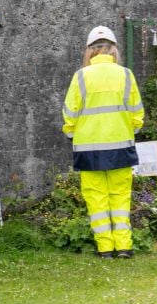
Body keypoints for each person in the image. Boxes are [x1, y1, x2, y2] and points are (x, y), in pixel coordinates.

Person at [62, 25, 144, 259]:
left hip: (88, 148)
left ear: (89, 51)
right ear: (113, 50)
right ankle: (124, 247)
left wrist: (72, 134)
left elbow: (70, 113)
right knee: (120, 197)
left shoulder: (81, 77)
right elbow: (137, 113)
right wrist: (129, 130)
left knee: (96, 199)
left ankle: (105, 248)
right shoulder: (126, 75)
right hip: (121, 145)